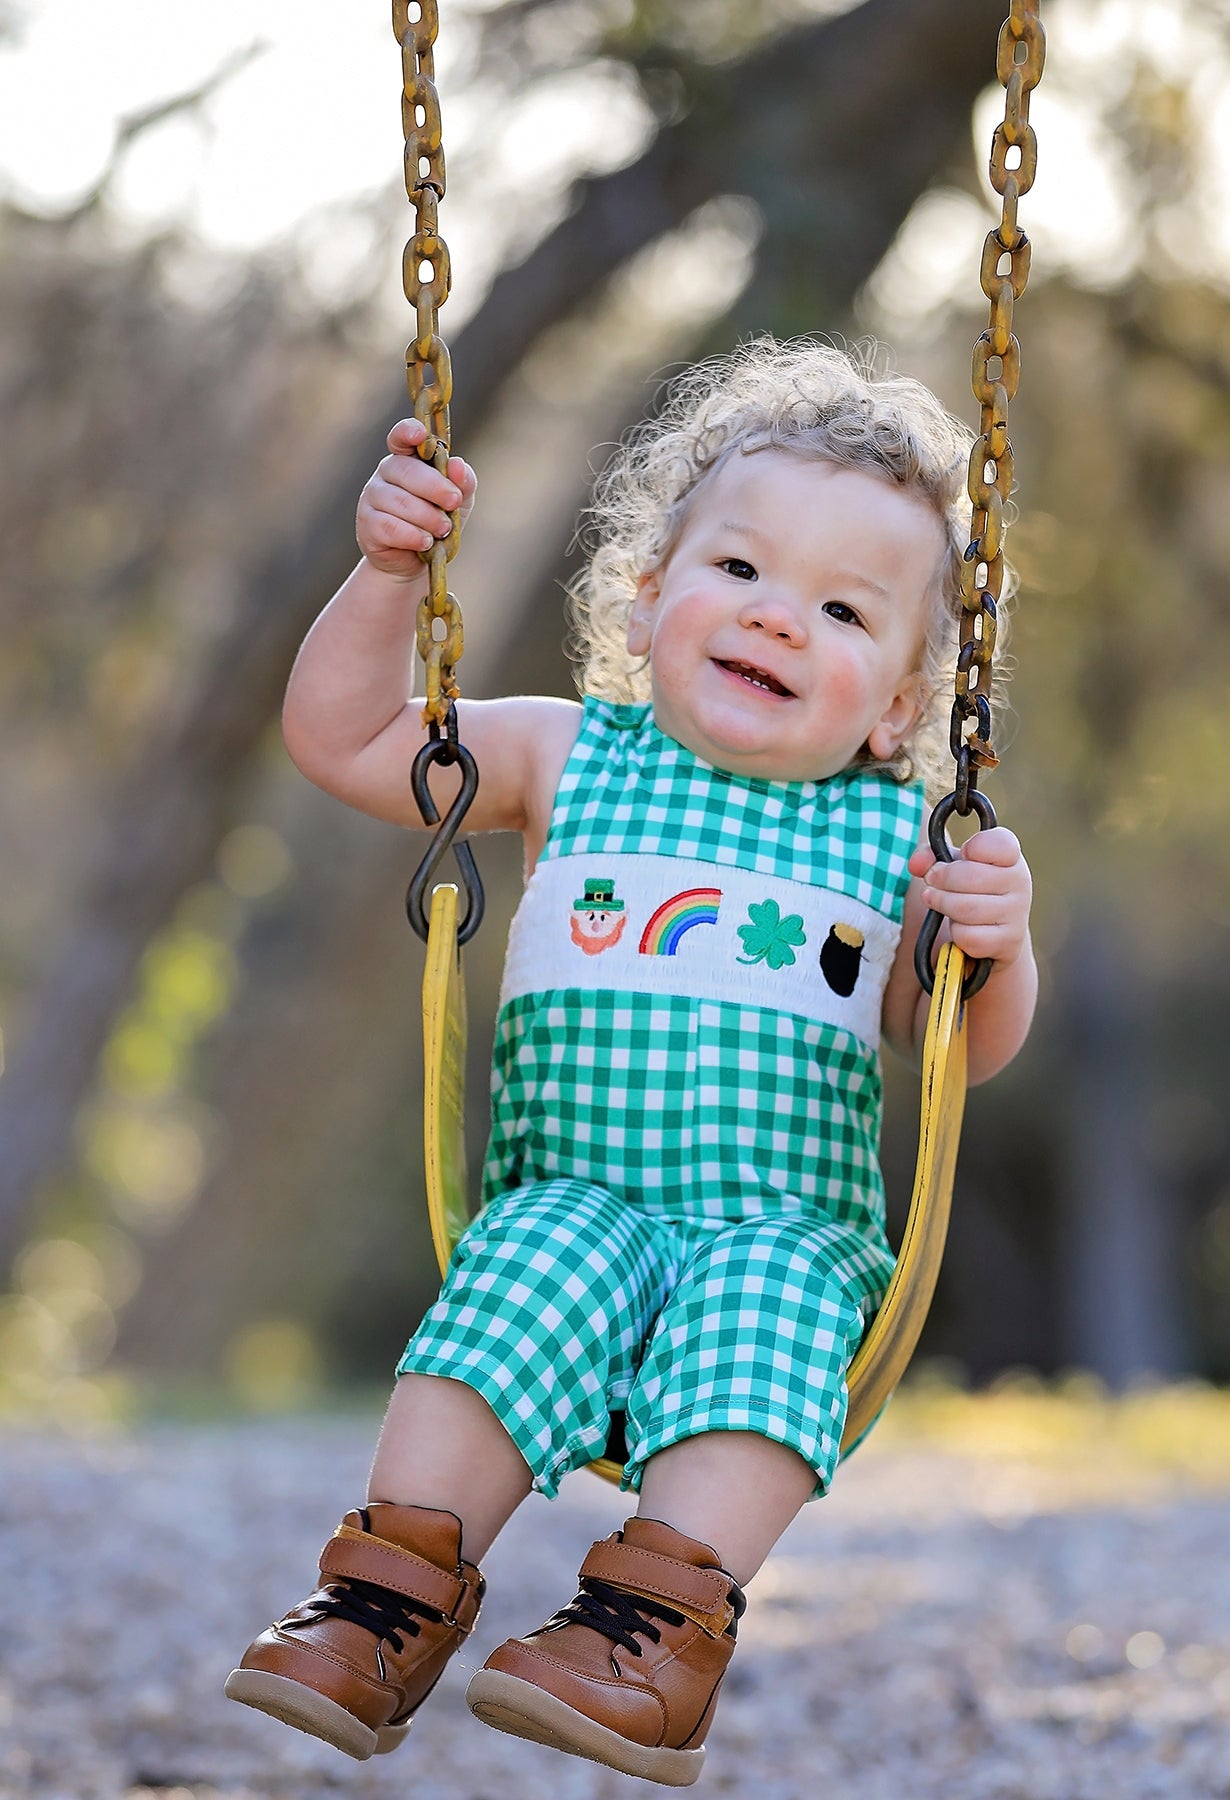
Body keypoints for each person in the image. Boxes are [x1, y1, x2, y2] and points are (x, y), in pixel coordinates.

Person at [225, 339, 1036, 1786]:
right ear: (650, 593)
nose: (777, 616)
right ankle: (383, 1604)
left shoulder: (903, 841)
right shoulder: (566, 756)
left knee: (768, 1322)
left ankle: (648, 1637)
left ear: (906, 704)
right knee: (509, 1294)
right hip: (575, 1202)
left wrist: (994, 937)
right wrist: (390, 574)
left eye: (842, 609)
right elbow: (345, 737)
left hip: (780, 1227)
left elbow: (955, 1046)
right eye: (739, 568)